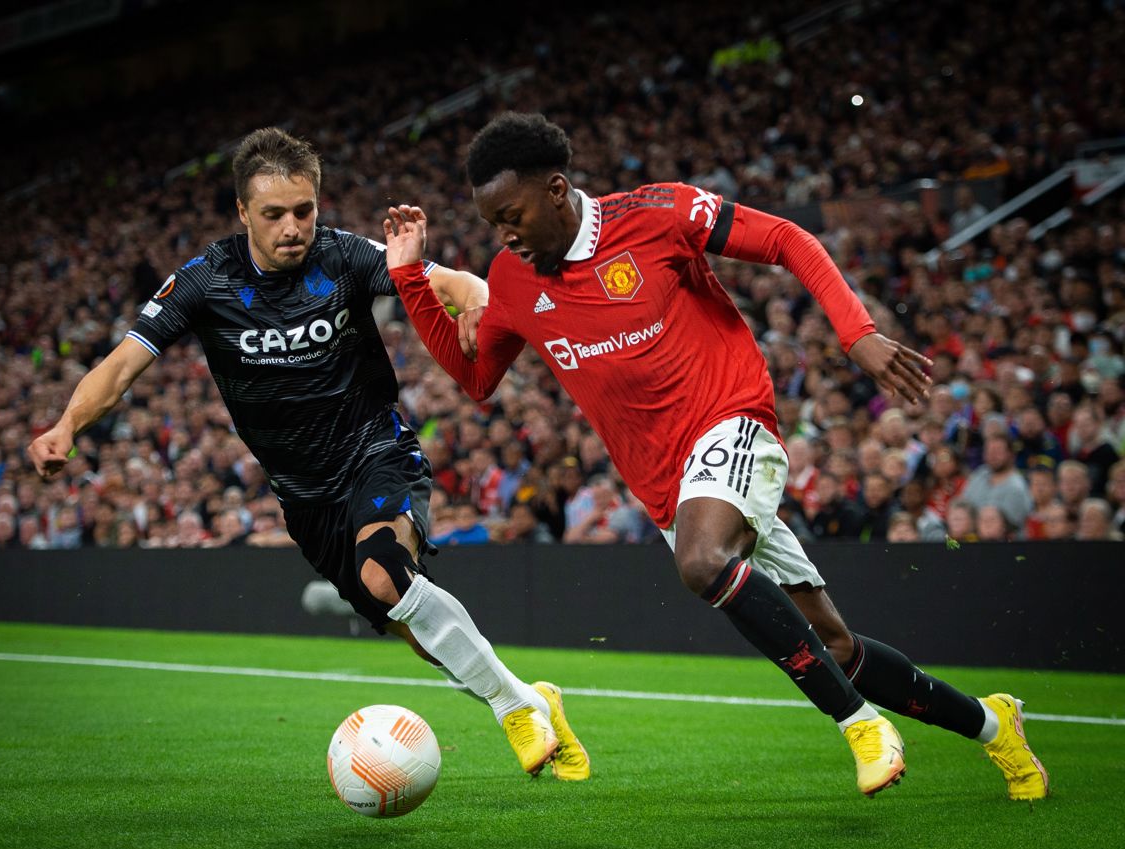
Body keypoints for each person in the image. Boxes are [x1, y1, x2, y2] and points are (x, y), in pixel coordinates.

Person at [382, 112, 1047, 800]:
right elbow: (476, 379)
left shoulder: (658, 215)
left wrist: (857, 333)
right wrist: (409, 281)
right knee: (836, 648)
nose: (505, 235)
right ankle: (993, 725)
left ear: (556, 190)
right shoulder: (513, 278)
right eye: (493, 224)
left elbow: (787, 239)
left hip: (734, 422)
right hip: (669, 485)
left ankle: (861, 726)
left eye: (512, 216)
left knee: (701, 563)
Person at [26, 126, 588, 782]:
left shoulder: (345, 256)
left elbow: (456, 283)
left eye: (304, 210)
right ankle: (532, 698)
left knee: (385, 572)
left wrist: (480, 305)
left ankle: (511, 709)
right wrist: (66, 425)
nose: (293, 227)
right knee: (414, 627)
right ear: (243, 212)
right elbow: (122, 365)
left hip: (376, 450)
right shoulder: (206, 281)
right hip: (305, 500)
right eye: (274, 214)